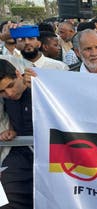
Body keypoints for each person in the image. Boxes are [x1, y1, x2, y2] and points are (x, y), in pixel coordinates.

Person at [0, 59, 33, 209]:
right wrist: (7, 132)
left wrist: (42, 87)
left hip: (54, 154)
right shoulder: (4, 101)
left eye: (10, 86)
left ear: (18, 74)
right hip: (20, 155)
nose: (9, 93)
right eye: (2, 91)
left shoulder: (41, 87)